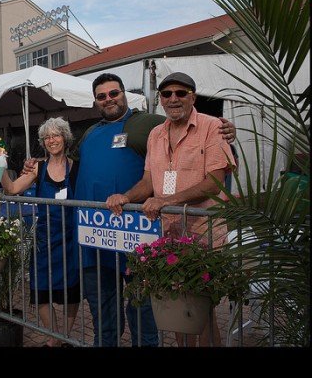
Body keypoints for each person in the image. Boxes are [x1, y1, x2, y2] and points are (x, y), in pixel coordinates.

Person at [24, 73, 236, 347]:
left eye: (114, 93)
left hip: (143, 235)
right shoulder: (95, 132)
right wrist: (38, 164)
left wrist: (228, 130)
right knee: (108, 308)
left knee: (174, 309)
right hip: (99, 237)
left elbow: (191, 129)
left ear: (125, 94)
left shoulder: (149, 122)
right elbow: (67, 162)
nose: (109, 99)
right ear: (95, 101)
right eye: (102, 96)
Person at [106, 72, 236, 347]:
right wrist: (125, 196)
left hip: (203, 235)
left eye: (181, 93)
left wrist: (168, 200)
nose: (173, 99)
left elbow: (215, 183)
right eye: (167, 94)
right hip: (168, 236)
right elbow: (148, 182)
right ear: (161, 100)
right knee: (177, 309)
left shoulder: (212, 127)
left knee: (201, 310)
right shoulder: (155, 134)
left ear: (193, 97)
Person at [0, 117, 80, 347]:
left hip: (71, 239)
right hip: (44, 239)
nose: (52, 140)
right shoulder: (37, 167)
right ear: (43, 142)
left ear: (65, 137)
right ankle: (55, 338)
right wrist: (0, 168)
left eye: (56, 135)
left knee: (72, 292)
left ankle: (64, 335)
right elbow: (12, 189)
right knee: (41, 290)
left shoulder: (76, 167)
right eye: (47, 137)